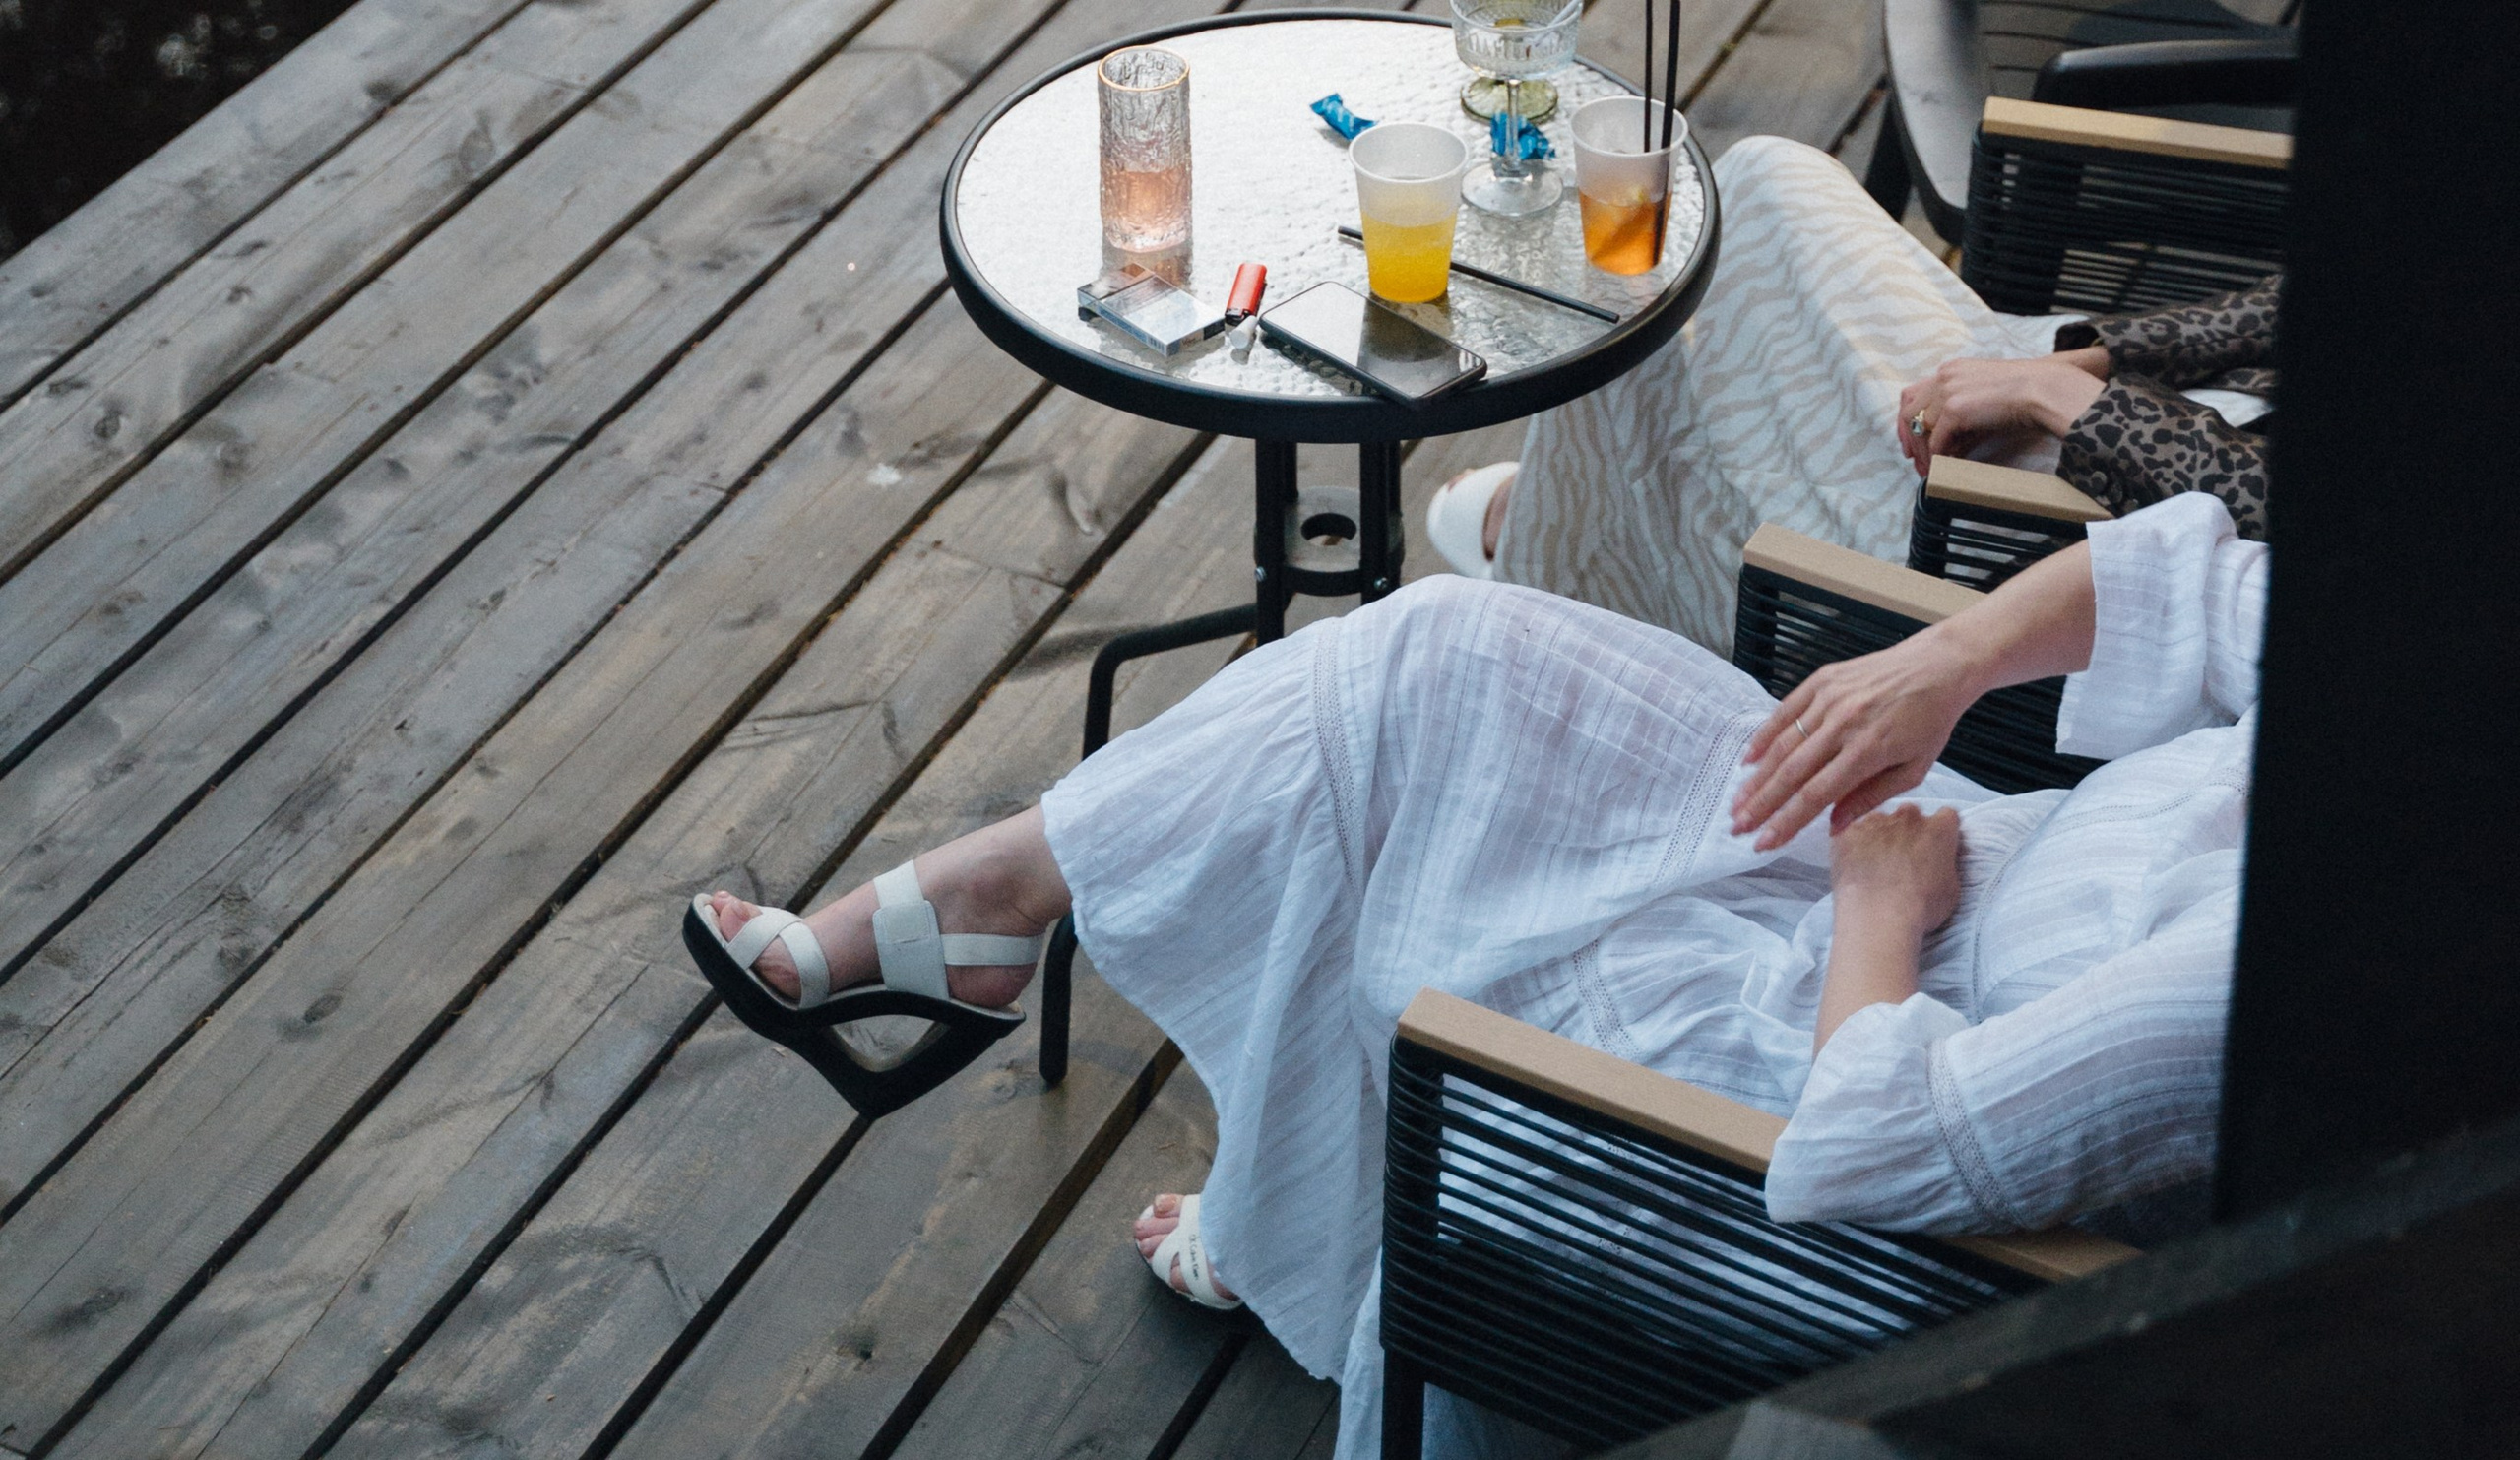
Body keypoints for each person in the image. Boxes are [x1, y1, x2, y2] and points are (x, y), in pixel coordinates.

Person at [688, 491, 2260, 1459]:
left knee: (1426, 875)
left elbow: (1875, 1152)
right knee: (1445, 656)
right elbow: (2203, 582)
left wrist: (1877, 908)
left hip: (1829, 1049)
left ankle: (992, 932)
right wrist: (1952, 656)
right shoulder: (2445, 683)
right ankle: (1009, 903)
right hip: (1933, 856)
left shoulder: (2264, 989)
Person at [1427, 130, 2276, 634]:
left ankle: (1561, 559)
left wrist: (2060, 399)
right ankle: (1571, 518)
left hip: (2111, 524)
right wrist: (2083, 359)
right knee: (1750, 198)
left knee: (1725, 262)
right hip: (2167, 402)